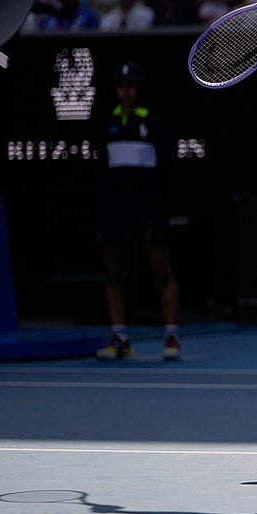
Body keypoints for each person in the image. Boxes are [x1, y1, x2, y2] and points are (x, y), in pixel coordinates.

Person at [95, 62, 182, 361]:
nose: (126, 90)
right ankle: (120, 338)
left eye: (131, 85)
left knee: (162, 273)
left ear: (139, 89)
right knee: (114, 274)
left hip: (150, 209)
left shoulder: (154, 123)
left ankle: (171, 337)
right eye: (121, 85)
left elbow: (168, 166)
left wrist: (161, 206)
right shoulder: (107, 123)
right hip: (117, 210)